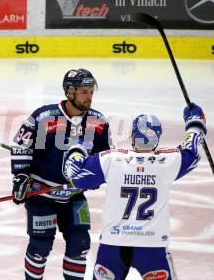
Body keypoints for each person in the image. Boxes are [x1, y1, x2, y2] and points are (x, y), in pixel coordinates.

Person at [63, 104, 207, 280]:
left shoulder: (111, 159)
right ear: (158, 137)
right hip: (152, 247)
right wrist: (195, 123)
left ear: (132, 136)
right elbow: (192, 152)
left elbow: (75, 175)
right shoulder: (169, 161)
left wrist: (78, 147)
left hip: (113, 246)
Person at [11, 69, 113, 279]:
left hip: (74, 195)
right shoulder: (43, 116)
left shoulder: (98, 121)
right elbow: (21, 146)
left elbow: (106, 157)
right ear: (69, 91)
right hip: (42, 194)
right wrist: (20, 176)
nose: (89, 97)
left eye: (91, 92)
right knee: (40, 247)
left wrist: (95, 175)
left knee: (80, 244)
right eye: (84, 92)